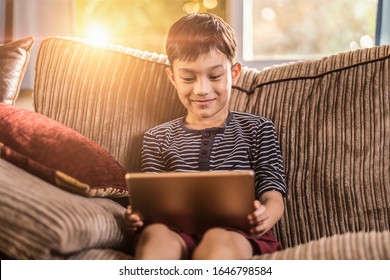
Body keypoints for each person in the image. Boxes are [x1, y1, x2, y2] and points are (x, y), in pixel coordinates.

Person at [124, 12, 287, 260]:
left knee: (218, 240)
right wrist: (137, 216)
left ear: (234, 74)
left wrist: (265, 216)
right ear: (172, 77)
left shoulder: (257, 129)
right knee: (156, 235)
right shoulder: (156, 138)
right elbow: (149, 203)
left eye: (214, 76)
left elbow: (273, 193)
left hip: (238, 233)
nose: (202, 90)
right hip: (174, 231)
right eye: (188, 78)